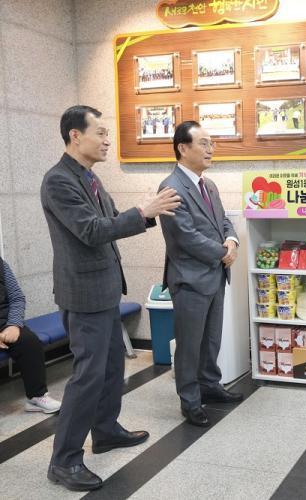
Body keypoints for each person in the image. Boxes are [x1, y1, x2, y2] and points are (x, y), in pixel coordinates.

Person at [41, 105, 181, 491]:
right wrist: (143, 211)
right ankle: (64, 461)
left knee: (110, 368)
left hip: (103, 290)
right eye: (100, 133)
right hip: (83, 294)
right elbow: (90, 230)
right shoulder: (58, 181)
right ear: (75, 136)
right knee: (88, 377)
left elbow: (111, 221)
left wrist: (144, 213)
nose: (107, 141)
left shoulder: (89, 177)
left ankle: (104, 430)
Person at [158, 121, 242, 428]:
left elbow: (224, 221)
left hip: (214, 274)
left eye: (212, 143)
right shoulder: (171, 187)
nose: (210, 149)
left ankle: (209, 385)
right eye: (203, 143)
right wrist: (222, 253)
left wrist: (231, 240)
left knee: (211, 339)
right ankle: (190, 400)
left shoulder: (209, 185)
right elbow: (185, 236)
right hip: (190, 278)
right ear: (183, 148)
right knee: (189, 344)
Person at [0, 257, 62, 414]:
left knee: (29, 342)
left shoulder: (1, 264)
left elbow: (17, 298)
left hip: (5, 323)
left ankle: (37, 396)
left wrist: (14, 325)